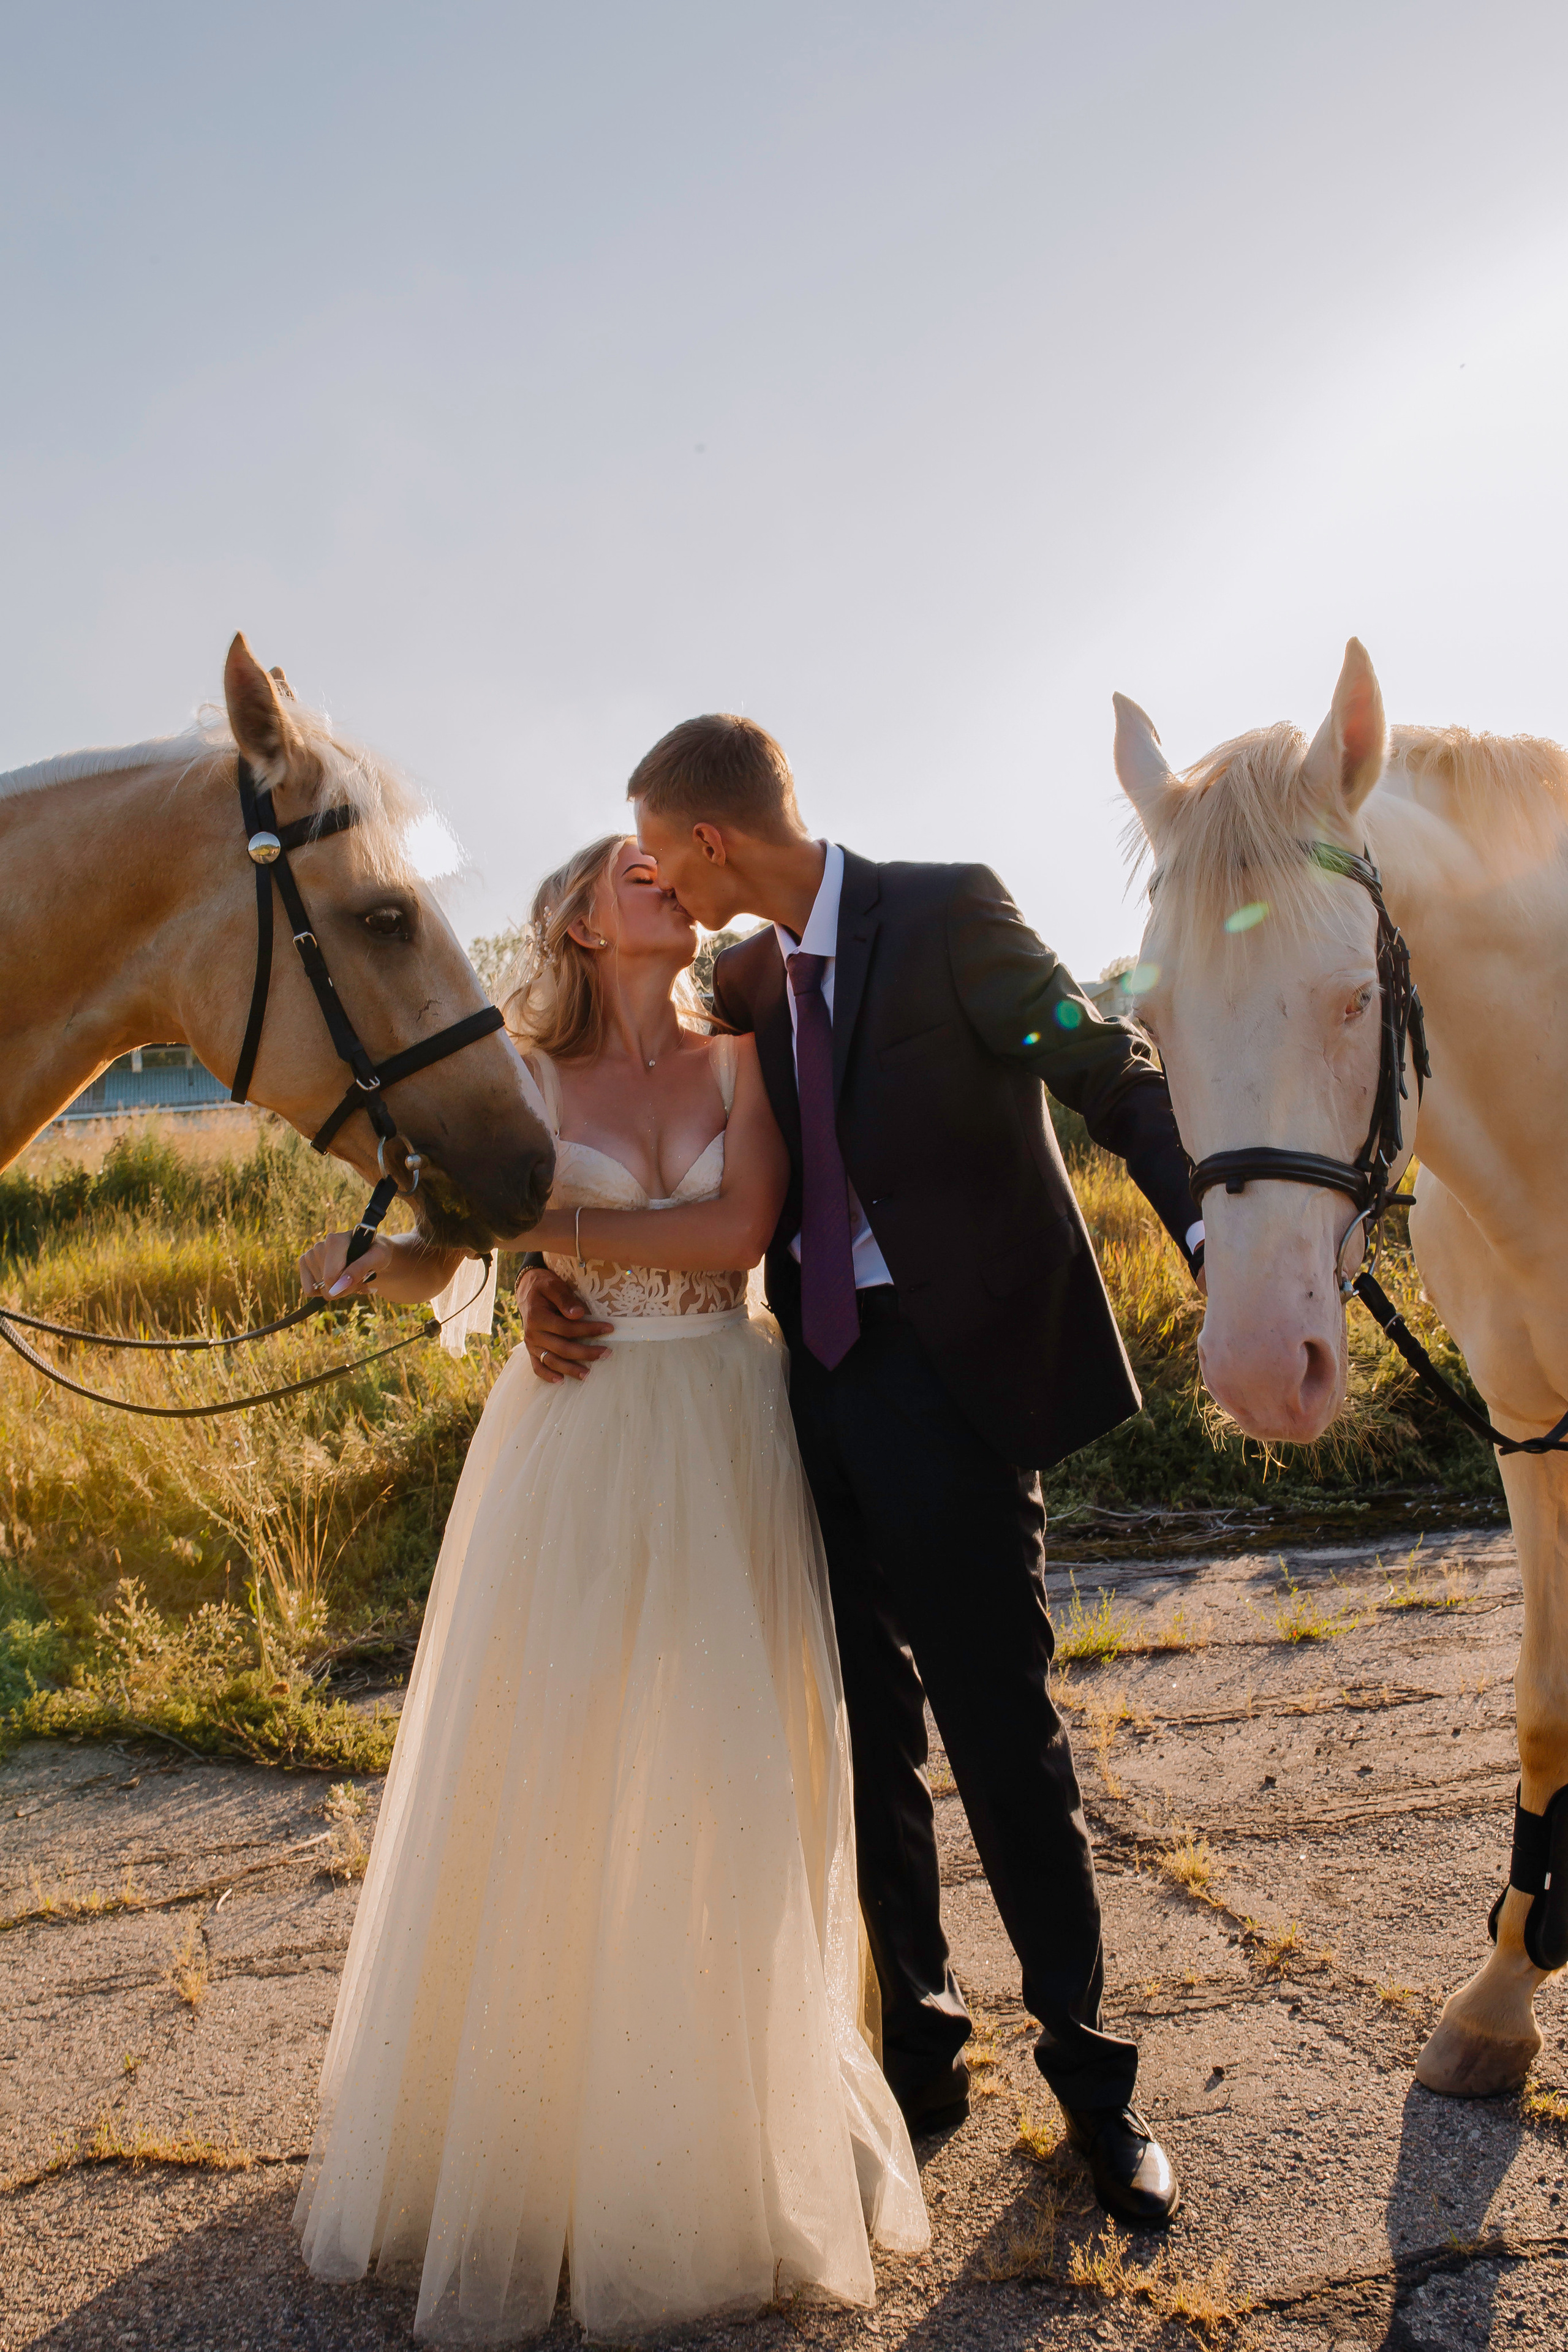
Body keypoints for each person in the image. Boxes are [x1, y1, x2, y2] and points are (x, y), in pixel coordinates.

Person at [519, 718, 1202, 2227]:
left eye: (659, 853)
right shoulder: (753, 980)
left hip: (950, 1390)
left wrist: (1209, 1229)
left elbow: (1100, 1063)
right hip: (795, 1396)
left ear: (707, 842)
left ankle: (1098, 2089)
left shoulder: (947, 906)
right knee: (859, 1739)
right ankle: (923, 2053)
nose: (659, 887)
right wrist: (536, 1273)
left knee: (1000, 1735)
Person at [291, 835, 927, 2343]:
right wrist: (375, 1262)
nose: (662, 879)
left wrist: (546, 1241)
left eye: (666, 867)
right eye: (628, 870)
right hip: (571, 1439)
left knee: (725, 1764)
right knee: (552, 1763)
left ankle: (709, 2128)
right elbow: (444, 1235)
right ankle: (529, 2137)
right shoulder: (509, 1076)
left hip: (721, 1417)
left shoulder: (734, 1060)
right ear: (577, 919)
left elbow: (731, 1234)